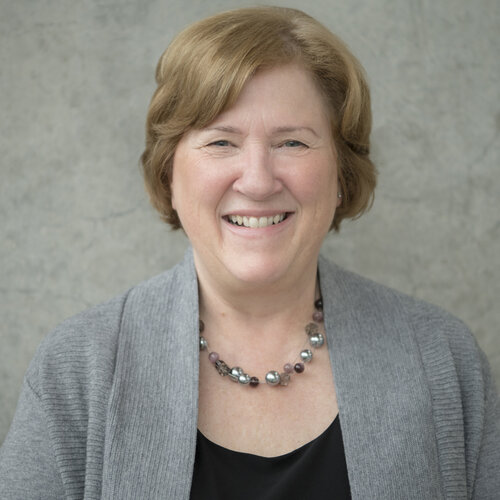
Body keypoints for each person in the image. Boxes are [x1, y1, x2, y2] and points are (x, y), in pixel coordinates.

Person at [1, 6, 499, 499]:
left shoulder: (443, 361)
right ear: (169, 174)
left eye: (293, 143)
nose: (258, 181)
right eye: (221, 142)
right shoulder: (78, 370)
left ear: (342, 178)